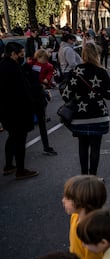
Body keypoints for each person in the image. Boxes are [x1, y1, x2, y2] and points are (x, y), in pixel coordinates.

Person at [62, 43, 110, 175]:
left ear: (83, 55)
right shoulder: (101, 72)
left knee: (82, 147)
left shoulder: (76, 71)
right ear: (97, 55)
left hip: (80, 117)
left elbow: (66, 95)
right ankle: (93, 177)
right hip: (98, 115)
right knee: (95, 148)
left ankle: (83, 176)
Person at [0, 42, 39, 180]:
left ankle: (9, 165)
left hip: (8, 111)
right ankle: (20, 169)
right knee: (19, 140)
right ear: (13, 54)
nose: (23, 56)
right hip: (16, 111)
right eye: (21, 54)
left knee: (12, 138)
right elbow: (19, 91)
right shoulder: (11, 68)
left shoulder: (6, 66)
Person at [62, 175, 107, 259]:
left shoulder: (90, 235)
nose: (63, 200)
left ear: (80, 202)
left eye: (67, 198)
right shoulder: (75, 216)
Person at [27, 49, 57, 155]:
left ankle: (46, 146)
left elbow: (48, 76)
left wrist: (47, 80)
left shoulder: (48, 66)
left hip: (39, 94)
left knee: (42, 122)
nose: (45, 61)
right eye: (44, 59)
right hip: (31, 94)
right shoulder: (30, 64)